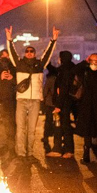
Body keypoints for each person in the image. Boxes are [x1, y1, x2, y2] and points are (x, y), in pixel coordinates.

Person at [6, 25, 58, 160]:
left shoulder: (40, 65)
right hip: (21, 100)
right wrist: (9, 40)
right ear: (24, 53)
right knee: (20, 129)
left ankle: (29, 152)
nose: (29, 53)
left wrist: (53, 40)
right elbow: (12, 52)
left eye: (31, 51)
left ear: (35, 54)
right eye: (27, 51)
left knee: (31, 130)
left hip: (35, 100)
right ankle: (21, 153)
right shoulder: (19, 63)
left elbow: (48, 54)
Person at [53, 50, 77, 158]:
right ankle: (61, 149)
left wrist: (58, 105)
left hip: (64, 102)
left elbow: (62, 89)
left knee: (65, 125)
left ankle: (68, 150)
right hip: (68, 101)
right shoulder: (71, 67)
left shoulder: (65, 69)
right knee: (63, 125)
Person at [42, 63, 62, 157]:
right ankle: (56, 136)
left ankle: (46, 136)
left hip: (50, 104)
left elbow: (45, 91)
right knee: (57, 122)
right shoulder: (60, 78)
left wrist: (43, 101)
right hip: (57, 104)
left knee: (48, 121)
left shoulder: (50, 79)